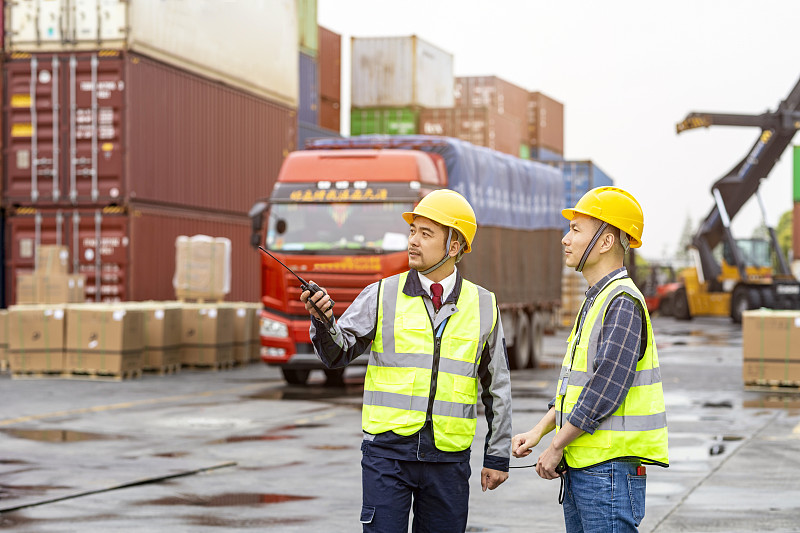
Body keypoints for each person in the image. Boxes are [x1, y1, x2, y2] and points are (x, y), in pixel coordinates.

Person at [301, 189, 512, 533]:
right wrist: (324, 323)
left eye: (426, 233)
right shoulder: (382, 293)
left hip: (448, 460)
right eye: (412, 231)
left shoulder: (484, 304)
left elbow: (497, 387)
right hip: (387, 454)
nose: (413, 241)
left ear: (454, 245)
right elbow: (337, 354)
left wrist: (497, 455)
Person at [512, 186, 669, 532]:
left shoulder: (622, 302)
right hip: (588, 466)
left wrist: (555, 446)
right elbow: (578, 387)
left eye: (576, 229)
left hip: (608, 471)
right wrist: (539, 430)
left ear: (606, 241)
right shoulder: (596, 300)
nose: (565, 239)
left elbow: (604, 390)